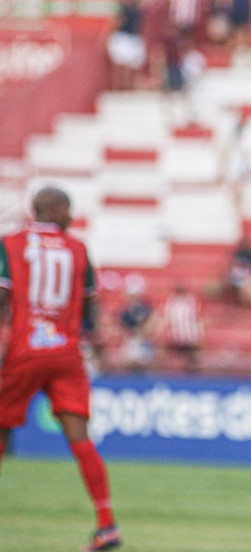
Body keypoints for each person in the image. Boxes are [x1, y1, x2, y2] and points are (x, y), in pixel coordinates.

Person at [0, 187, 121, 551]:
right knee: (80, 437)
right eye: (67, 208)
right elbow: (88, 310)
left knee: (2, 429)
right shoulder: (79, 248)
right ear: (53, 209)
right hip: (66, 353)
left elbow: (3, 297)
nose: (71, 215)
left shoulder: (11, 243)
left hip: (24, 350)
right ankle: (106, 524)